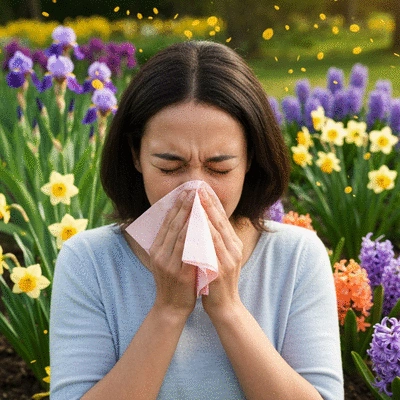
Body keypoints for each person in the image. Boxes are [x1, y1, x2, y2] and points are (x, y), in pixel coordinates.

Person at [49, 40, 344, 399]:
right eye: (169, 166)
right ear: (136, 155)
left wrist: (228, 309)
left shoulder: (296, 257)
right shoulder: (88, 261)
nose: (195, 190)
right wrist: (169, 309)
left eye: (219, 167)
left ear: (249, 159)